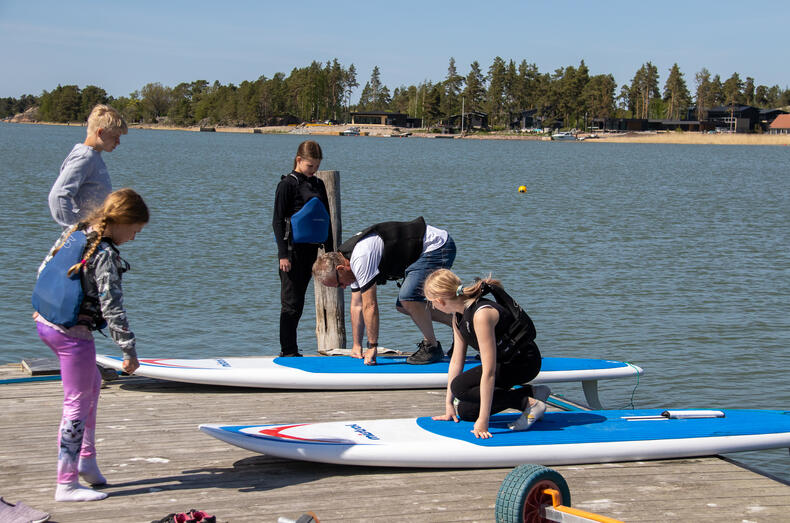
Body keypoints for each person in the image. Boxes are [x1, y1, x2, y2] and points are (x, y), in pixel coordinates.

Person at [33, 188, 148, 501]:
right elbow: (113, 308)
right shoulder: (106, 254)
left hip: (46, 325)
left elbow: (46, 266)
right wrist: (129, 352)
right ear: (121, 222)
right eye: (134, 231)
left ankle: (87, 461)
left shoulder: (77, 231)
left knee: (92, 384)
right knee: (76, 404)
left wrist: (40, 304)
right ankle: (66, 483)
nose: (134, 238)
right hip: (73, 336)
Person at [423, 269, 549, 439]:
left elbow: (489, 371)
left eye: (431, 302)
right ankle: (532, 393)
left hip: (524, 363)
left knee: (460, 387)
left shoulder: (481, 314)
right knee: (467, 411)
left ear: (440, 301)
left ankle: (529, 403)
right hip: (504, 363)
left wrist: (483, 421)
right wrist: (448, 404)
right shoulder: (458, 317)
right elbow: (456, 361)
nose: (432, 306)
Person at [312, 217, 455, 365]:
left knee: (408, 299)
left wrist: (372, 346)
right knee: (403, 305)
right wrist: (357, 345)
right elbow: (357, 305)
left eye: (339, 284)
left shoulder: (360, 258)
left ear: (340, 269)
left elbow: (370, 305)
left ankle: (432, 347)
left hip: (438, 247)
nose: (343, 287)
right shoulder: (347, 263)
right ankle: (458, 323)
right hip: (425, 250)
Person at [272, 140, 333, 357]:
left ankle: (293, 349)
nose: (314, 169)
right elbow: (277, 222)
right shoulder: (287, 185)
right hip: (292, 252)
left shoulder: (318, 184)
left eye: (316, 165)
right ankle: (288, 350)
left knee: (301, 301)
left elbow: (325, 219)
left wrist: (330, 252)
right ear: (299, 160)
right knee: (291, 304)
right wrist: (283, 255)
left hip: (312, 252)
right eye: (310, 165)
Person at [48, 104, 128, 227]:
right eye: (115, 137)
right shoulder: (84, 157)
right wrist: (74, 231)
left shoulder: (94, 156)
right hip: (84, 234)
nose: (118, 142)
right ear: (100, 132)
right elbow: (58, 196)